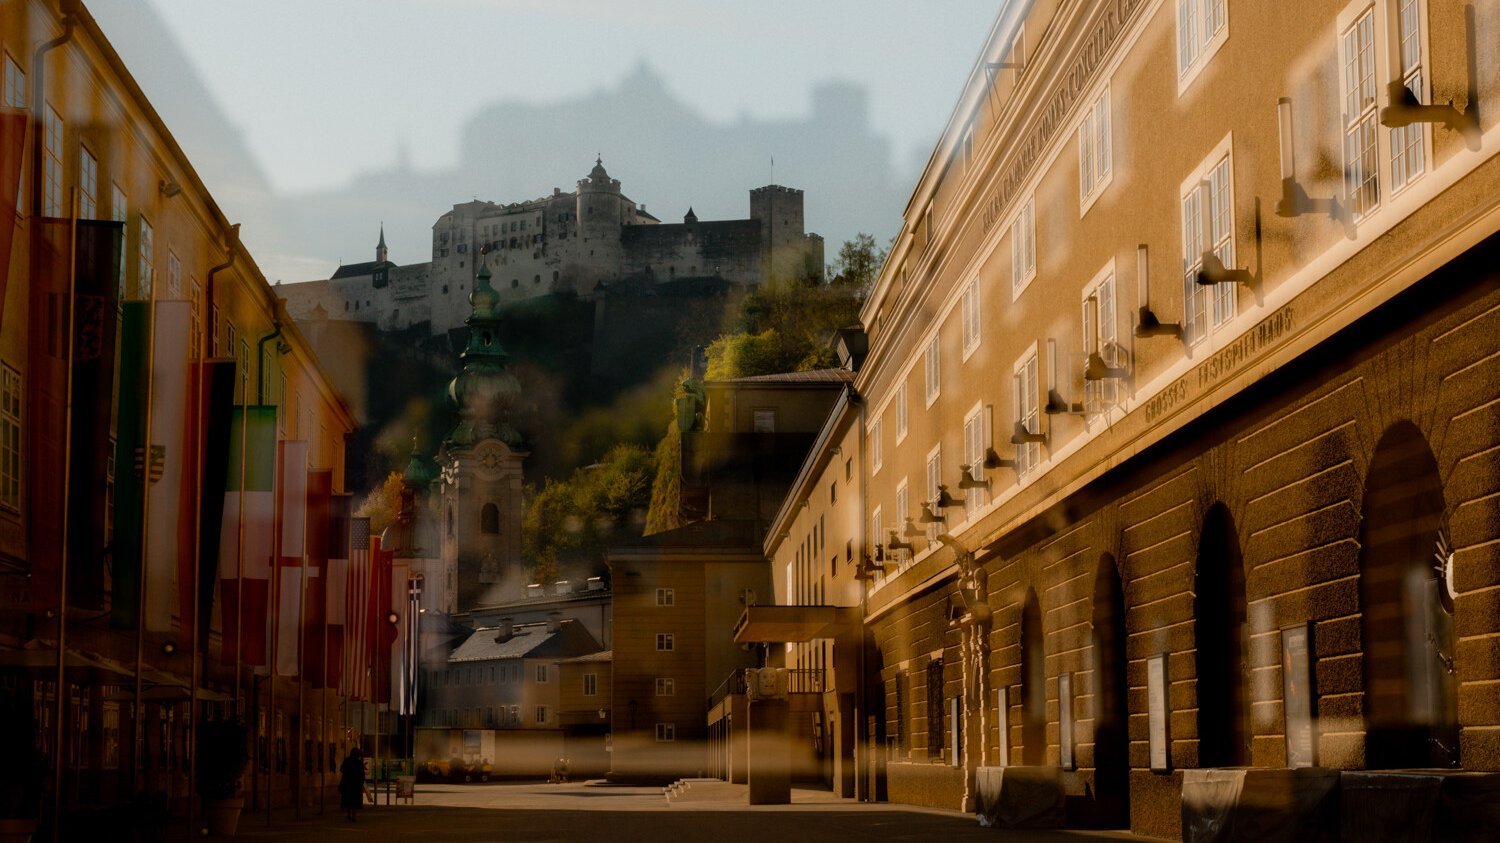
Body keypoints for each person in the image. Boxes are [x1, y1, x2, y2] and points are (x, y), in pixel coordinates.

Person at [339, 747, 365, 822]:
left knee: (347, 799)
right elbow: (362, 774)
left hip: (347, 783)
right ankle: (354, 815)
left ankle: (348, 814)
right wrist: (361, 782)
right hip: (355, 784)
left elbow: (342, 769)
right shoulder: (359, 762)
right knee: (355, 800)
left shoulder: (347, 760)